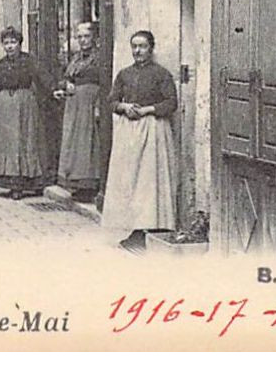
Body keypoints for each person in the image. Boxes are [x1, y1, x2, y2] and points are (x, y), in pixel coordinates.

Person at [101, 29, 180, 252]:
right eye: (134, 46)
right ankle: (133, 228)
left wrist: (147, 109)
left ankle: (151, 228)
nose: (138, 51)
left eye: (143, 46)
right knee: (129, 180)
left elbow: (171, 103)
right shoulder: (124, 74)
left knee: (149, 180)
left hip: (153, 130)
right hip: (129, 132)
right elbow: (111, 101)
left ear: (151, 49)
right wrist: (124, 106)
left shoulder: (161, 74)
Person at [0, 26, 49, 199]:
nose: (10, 46)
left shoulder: (29, 61)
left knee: (24, 140)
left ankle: (26, 182)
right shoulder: (0, 64)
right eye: (6, 43)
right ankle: (9, 182)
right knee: (8, 142)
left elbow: (42, 77)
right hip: (5, 106)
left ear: (20, 44)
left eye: (13, 42)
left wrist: (54, 89)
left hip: (24, 104)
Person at [52, 21, 106, 201]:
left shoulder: (99, 58)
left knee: (87, 142)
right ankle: (75, 182)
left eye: (86, 36)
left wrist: (99, 105)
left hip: (90, 102)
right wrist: (65, 85)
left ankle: (89, 184)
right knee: (74, 143)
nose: (83, 40)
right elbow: (65, 77)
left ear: (95, 38)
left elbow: (104, 83)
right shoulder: (75, 58)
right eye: (79, 37)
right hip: (74, 104)